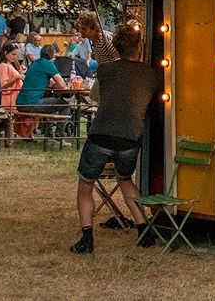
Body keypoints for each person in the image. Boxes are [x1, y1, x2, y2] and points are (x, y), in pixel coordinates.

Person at [69, 17, 163, 254]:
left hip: (101, 133)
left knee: (86, 184)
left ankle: (87, 238)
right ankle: (143, 229)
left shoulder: (106, 71)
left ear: (117, 47)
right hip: (130, 137)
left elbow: (102, 94)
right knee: (125, 179)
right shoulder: (152, 76)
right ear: (139, 47)